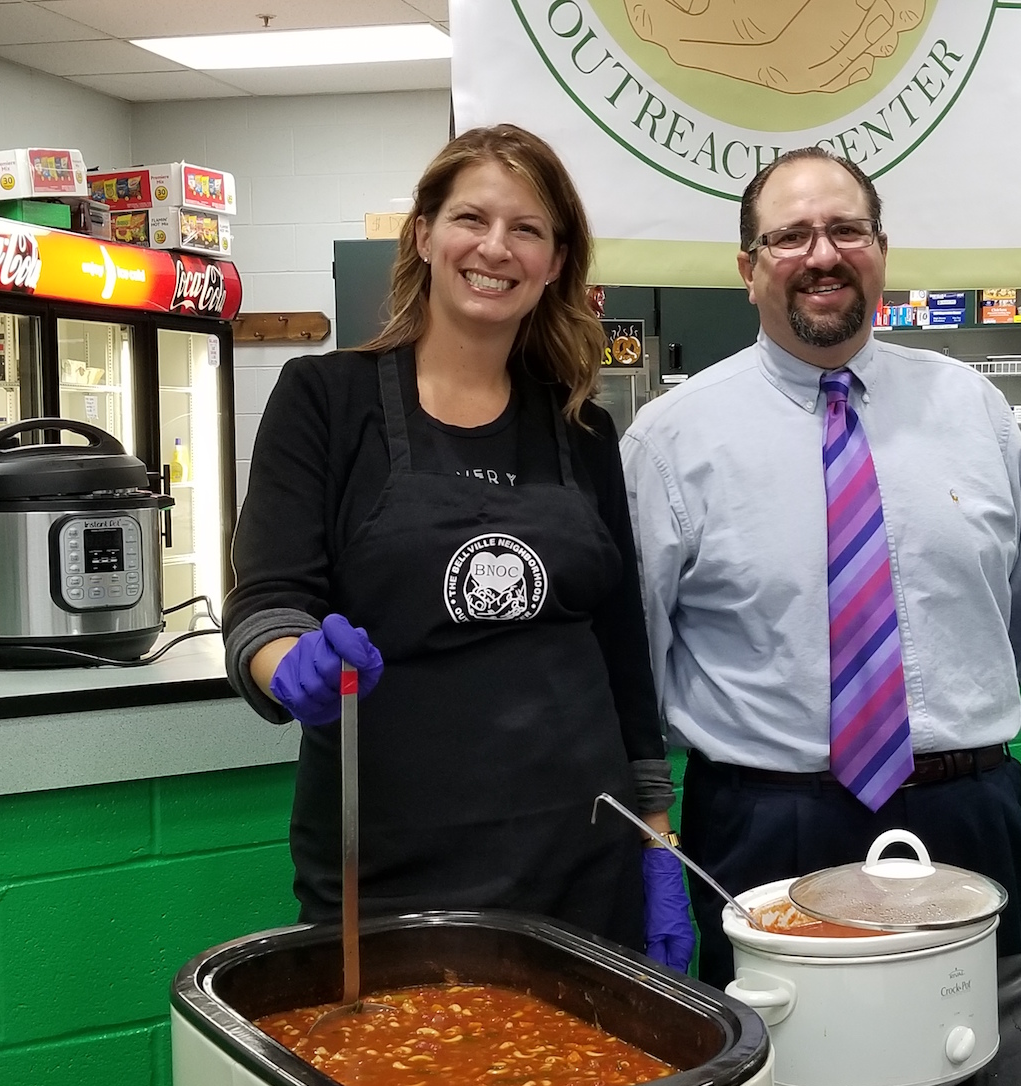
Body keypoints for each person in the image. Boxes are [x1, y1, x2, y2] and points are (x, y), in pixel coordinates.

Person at [620, 147, 1021, 988]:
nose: (823, 255)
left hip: (967, 813)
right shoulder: (672, 441)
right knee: (788, 1085)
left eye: (846, 230)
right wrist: (645, 844)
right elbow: (632, 665)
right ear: (748, 269)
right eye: (791, 237)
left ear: (881, 252)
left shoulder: (972, 409)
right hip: (767, 825)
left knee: (990, 1068)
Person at [222, 123, 694, 973]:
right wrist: (289, 663)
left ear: (555, 262)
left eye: (528, 230)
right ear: (424, 235)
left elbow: (623, 654)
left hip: (582, 860)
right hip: (390, 870)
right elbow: (266, 604)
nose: (495, 247)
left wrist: (656, 840)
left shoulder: (580, 426)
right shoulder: (324, 401)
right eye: (471, 218)